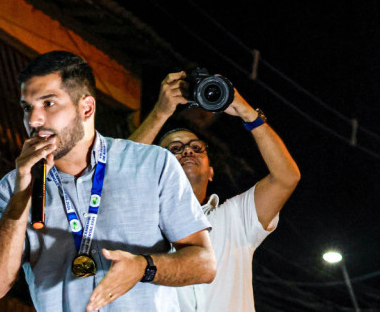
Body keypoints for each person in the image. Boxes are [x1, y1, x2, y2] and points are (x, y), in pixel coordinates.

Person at [0, 51, 216, 312]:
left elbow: (204, 263)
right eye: (27, 108)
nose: (34, 120)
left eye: (48, 104)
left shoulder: (152, 164)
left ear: (86, 107)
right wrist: (22, 193)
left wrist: (143, 267)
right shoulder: (14, 187)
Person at [128, 71, 301, 312]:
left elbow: (286, 177)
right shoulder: (140, 223)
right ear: (157, 170)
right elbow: (118, 174)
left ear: (211, 171)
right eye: (175, 149)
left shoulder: (236, 218)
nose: (187, 151)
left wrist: (246, 111)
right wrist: (161, 112)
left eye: (196, 147)